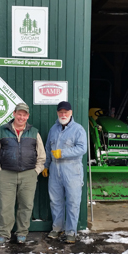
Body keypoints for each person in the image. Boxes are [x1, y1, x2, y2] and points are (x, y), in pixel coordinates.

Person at [0, 102, 46, 246]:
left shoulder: (34, 132)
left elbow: (42, 155)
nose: (21, 117)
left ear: (28, 116)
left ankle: (22, 233)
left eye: (24, 114)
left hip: (28, 175)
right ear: (14, 114)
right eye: (19, 114)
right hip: (6, 174)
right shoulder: (2, 131)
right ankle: (4, 234)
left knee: (26, 205)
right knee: (5, 206)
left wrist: (36, 171)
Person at [42, 101, 87, 244]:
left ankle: (71, 231)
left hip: (72, 170)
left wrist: (63, 153)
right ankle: (57, 228)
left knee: (73, 201)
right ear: (57, 113)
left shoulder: (78, 129)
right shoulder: (53, 129)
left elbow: (82, 148)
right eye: (61, 112)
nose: (63, 115)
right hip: (55, 170)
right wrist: (45, 165)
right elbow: (47, 148)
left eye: (66, 112)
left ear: (71, 113)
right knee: (55, 201)